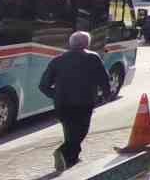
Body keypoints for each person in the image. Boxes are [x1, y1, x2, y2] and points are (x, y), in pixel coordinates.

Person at [39, 31, 110, 170]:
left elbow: (43, 85)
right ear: (86, 44)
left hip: (62, 104)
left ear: (70, 44)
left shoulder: (57, 60)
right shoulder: (93, 58)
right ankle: (63, 152)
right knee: (80, 132)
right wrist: (106, 95)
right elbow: (104, 79)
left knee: (70, 132)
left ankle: (72, 159)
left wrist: (56, 95)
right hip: (84, 102)